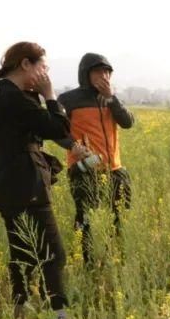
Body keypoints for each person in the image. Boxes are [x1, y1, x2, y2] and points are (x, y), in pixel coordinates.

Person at [0, 42, 72, 319]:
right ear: (25, 65)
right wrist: (50, 95)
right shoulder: (14, 98)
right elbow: (59, 128)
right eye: (43, 67)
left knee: (22, 253)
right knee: (54, 255)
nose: (46, 73)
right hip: (26, 184)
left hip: (3, 182)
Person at [57, 53, 135, 263]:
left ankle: (116, 258)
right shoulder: (69, 100)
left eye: (107, 71)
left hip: (115, 169)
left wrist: (111, 98)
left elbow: (127, 122)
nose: (104, 76)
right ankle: (87, 263)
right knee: (86, 219)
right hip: (84, 170)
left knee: (120, 217)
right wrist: (73, 147)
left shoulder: (110, 99)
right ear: (85, 74)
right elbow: (56, 129)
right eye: (98, 71)